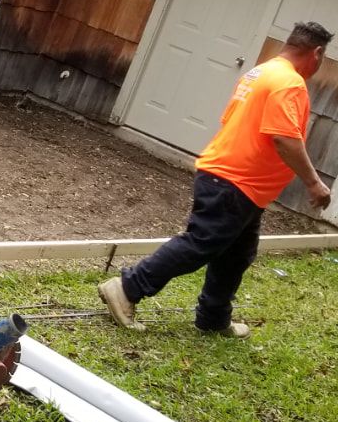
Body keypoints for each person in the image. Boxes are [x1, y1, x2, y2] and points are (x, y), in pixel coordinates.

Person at [100, 21, 334, 338]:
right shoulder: (288, 82)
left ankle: (213, 318)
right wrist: (313, 183)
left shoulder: (260, 73)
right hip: (234, 182)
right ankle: (127, 288)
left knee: (236, 255)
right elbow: (284, 138)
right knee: (201, 243)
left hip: (240, 184)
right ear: (317, 53)